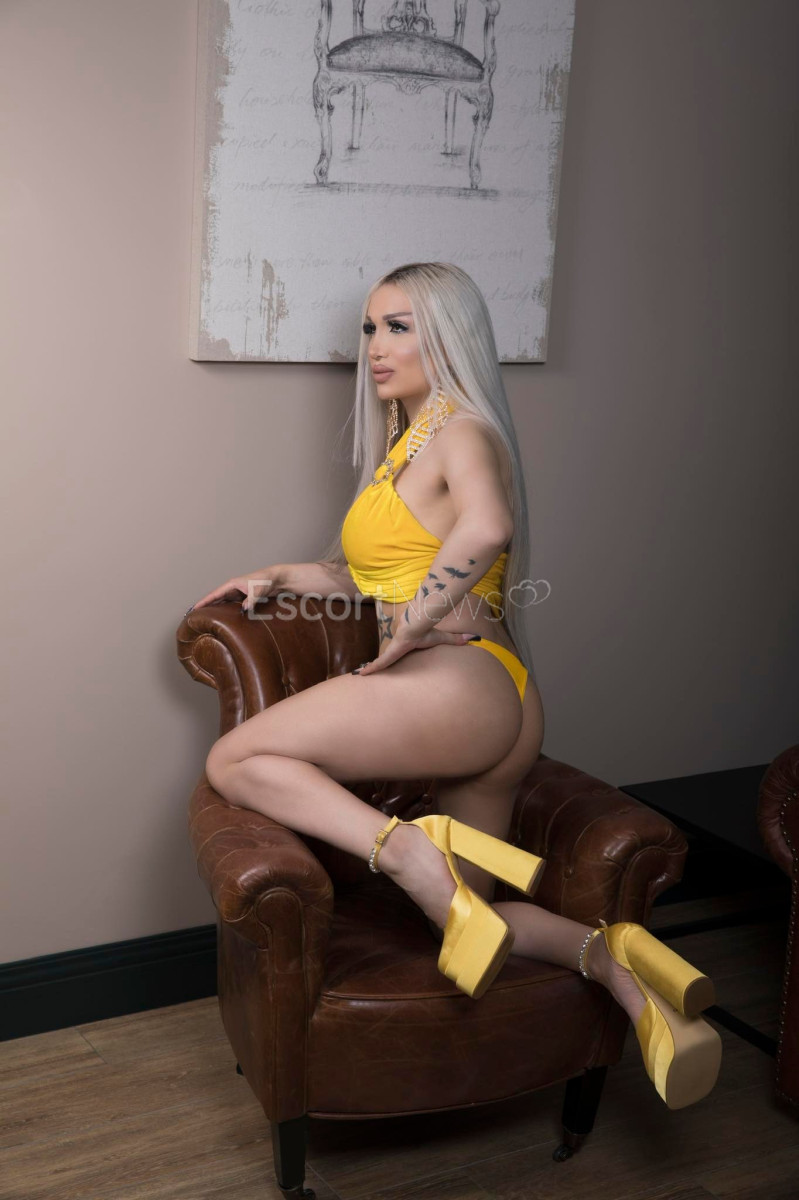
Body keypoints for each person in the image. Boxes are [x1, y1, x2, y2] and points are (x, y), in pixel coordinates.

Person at [188, 261, 721, 1110]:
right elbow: (371, 574)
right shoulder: (410, 442)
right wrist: (279, 576)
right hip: (494, 699)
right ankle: (621, 966)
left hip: (455, 686)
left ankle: (407, 852)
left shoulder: (460, 428)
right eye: (370, 327)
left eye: (399, 327)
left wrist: (411, 629)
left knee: (236, 760)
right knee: (467, 914)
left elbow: (486, 526)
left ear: (448, 338)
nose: (376, 346)